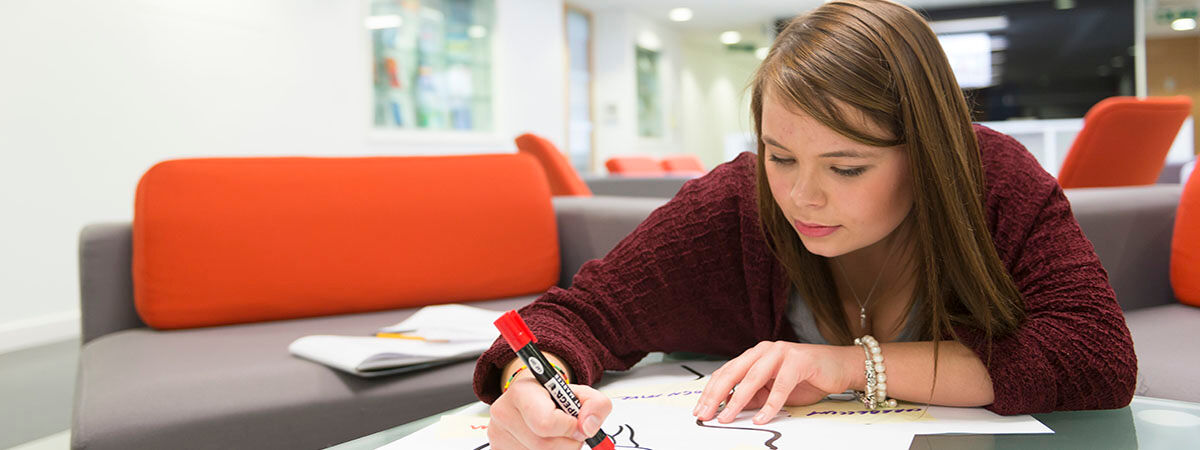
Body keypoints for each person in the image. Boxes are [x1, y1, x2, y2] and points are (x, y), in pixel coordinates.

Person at [472, 0, 1137, 448]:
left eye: (846, 168)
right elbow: (572, 317)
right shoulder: (737, 203)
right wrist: (528, 387)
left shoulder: (993, 180)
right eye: (780, 156)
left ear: (929, 156)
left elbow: (1095, 358)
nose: (801, 198)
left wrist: (847, 365)